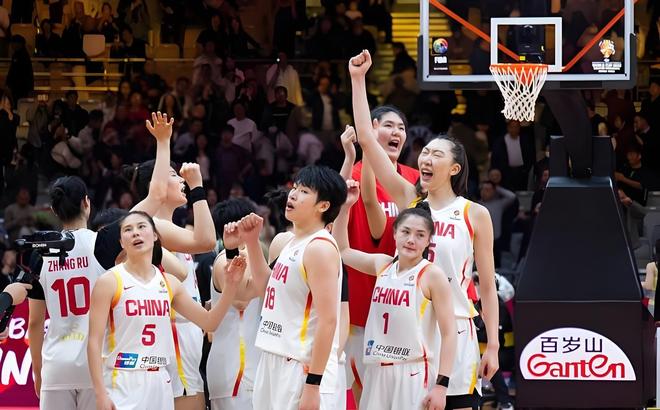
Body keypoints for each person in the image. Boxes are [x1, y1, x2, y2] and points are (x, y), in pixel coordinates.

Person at [349, 50, 499, 409]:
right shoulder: (409, 198)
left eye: (436, 155)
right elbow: (367, 140)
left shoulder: (474, 214)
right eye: (425, 153)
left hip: (456, 327)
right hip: (409, 329)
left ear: (454, 168)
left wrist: (493, 344)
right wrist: (358, 79)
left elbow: (487, 286)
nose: (426, 159)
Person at [87, 211, 245, 410]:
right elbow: (93, 342)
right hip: (122, 378)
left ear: (155, 235)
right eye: (128, 229)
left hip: (160, 379)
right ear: (121, 242)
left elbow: (209, 322)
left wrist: (230, 286)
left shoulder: (169, 283)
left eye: (141, 226)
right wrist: (100, 393)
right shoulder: (109, 281)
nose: (135, 233)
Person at [334, 179, 457, 410]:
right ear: (394, 233)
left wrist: (442, 386)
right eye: (406, 232)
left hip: (413, 371)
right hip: (376, 369)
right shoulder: (382, 264)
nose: (411, 240)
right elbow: (341, 250)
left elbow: (450, 333)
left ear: (429, 241)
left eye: (420, 235)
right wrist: (345, 207)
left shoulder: (432, 275)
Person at [126, 112, 217, 410]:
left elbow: (203, 240)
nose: (180, 180)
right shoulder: (153, 228)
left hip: (185, 328)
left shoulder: (168, 227)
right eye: (173, 175)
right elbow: (206, 241)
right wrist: (198, 186)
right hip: (174, 330)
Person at [237, 165, 347, 409]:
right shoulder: (293, 243)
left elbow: (329, 321)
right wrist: (252, 242)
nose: (293, 195)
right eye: (295, 188)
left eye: (304, 191)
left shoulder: (320, 248)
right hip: (275, 357)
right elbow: (267, 290)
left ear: (323, 205)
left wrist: (313, 384)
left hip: (301, 366)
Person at [207, 198, 263, 410]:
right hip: (236, 372)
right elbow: (240, 300)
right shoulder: (225, 259)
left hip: (249, 370)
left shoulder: (252, 257)